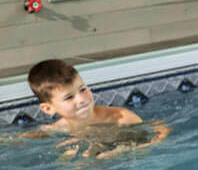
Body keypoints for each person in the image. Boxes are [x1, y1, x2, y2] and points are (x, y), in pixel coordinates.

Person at [23, 59, 169, 158]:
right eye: (69, 97)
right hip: (98, 158)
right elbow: (28, 137)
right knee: (68, 157)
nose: (81, 99)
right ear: (48, 109)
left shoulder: (119, 117)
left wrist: (126, 151)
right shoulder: (58, 128)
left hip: (130, 156)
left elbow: (161, 127)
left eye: (82, 89)